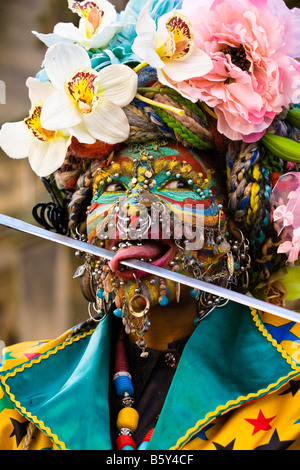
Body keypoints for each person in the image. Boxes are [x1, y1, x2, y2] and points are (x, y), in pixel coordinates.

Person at [0, 0, 300, 451]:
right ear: (83, 220)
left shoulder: (290, 383)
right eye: (113, 185)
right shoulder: (12, 383)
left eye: (177, 181)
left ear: (236, 221)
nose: (134, 209)